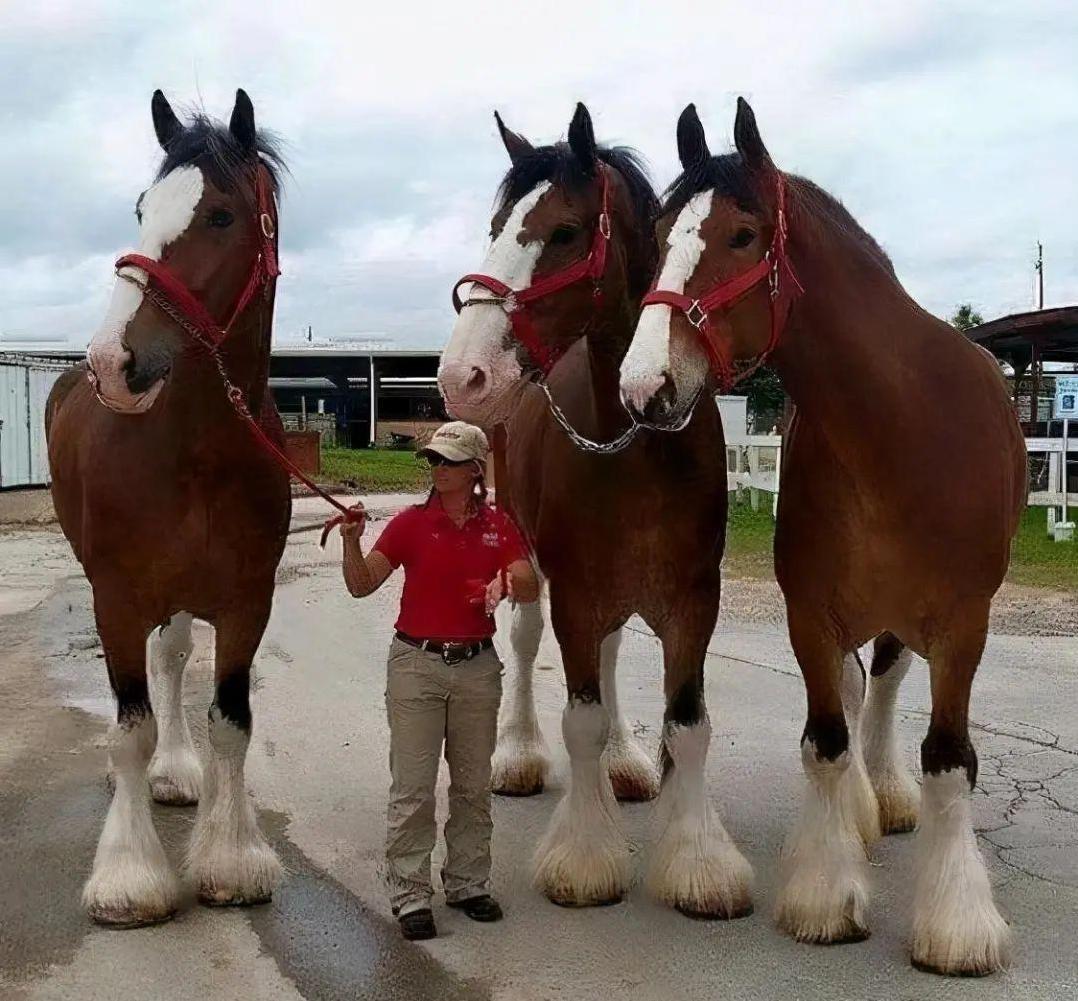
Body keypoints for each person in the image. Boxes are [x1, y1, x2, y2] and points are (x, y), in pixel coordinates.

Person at [339, 421, 539, 941]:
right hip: (416, 667)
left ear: (476, 470)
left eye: (449, 461)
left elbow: (530, 584)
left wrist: (505, 580)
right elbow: (362, 586)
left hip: (477, 667)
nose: (438, 469)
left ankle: (469, 883)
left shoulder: (498, 525)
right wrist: (351, 544)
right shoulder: (408, 525)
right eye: (433, 460)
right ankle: (409, 894)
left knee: (473, 786)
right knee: (414, 789)